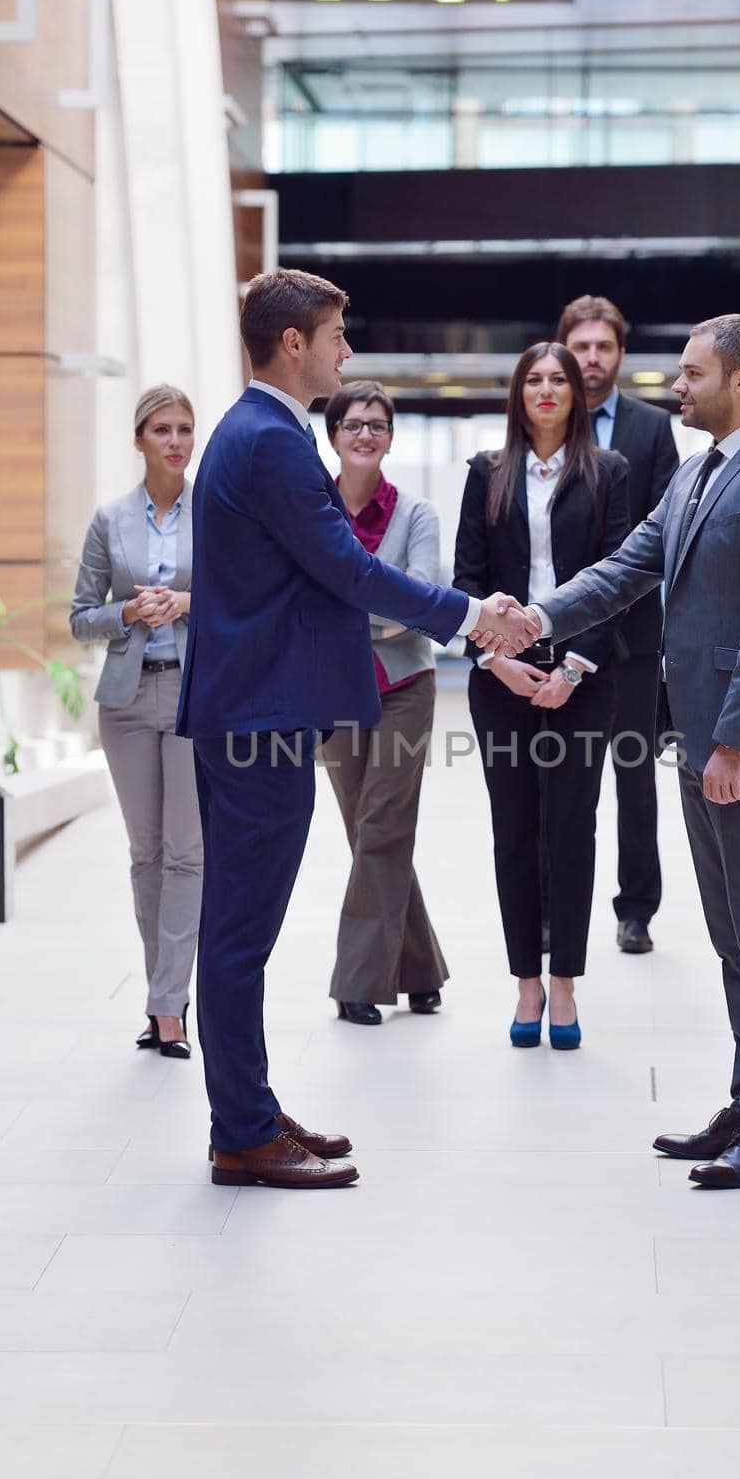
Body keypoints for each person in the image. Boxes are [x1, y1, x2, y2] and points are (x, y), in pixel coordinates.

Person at [176, 267, 526, 1189]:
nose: (348, 348)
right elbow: (347, 569)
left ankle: (245, 1112)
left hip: (255, 709)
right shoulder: (270, 441)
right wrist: (469, 615)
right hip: (261, 717)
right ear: (293, 343)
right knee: (241, 932)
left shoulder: (260, 434)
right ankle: (243, 1133)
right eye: (338, 332)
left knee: (239, 925)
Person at [488, 315, 740, 1188]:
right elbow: (627, 568)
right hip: (704, 740)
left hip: (738, 747)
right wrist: (539, 619)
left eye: (691, 373)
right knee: (729, 935)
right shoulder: (699, 476)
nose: (675, 386)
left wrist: (731, 745)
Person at [454, 342, 632, 1051]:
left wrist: (577, 666)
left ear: (576, 393)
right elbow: (465, 579)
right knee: (513, 835)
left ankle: (565, 987)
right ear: (519, 394)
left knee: (571, 831)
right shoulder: (487, 473)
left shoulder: (609, 472)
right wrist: (493, 659)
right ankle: (525, 982)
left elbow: (622, 577)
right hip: (499, 678)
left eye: (560, 379)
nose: (548, 390)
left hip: (581, 678)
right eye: (536, 379)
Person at [70, 385, 201, 1059]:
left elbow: (241, 601)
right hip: (124, 701)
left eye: (183, 429)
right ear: (139, 439)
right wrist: (127, 613)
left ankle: (168, 1007)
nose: (174, 441)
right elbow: (80, 615)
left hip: (191, 695)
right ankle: (162, 995)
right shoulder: (110, 519)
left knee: (186, 855)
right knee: (146, 855)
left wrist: (182, 603)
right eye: (161, 429)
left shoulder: (214, 512)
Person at [318, 379, 448, 1027]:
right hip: (334, 690)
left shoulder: (417, 515)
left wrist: (346, 609)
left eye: (377, 425)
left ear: (391, 438)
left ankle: (359, 982)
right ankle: (421, 969)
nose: (365, 433)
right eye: (352, 424)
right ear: (333, 435)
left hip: (404, 691)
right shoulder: (314, 508)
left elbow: (420, 602)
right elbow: (377, 605)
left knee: (383, 827)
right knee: (368, 833)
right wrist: (382, 607)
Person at [558, 295, 679, 955]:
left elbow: (658, 534)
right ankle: (556, 903)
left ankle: (636, 911)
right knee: (562, 779)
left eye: (604, 347)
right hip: (558, 634)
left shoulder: (651, 429)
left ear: (620, 354)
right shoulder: (543, 420)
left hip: (632, 638)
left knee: (635, 781)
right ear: (565, 351)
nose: (594, 358)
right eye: (582, 347)